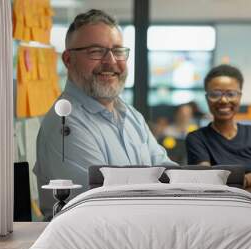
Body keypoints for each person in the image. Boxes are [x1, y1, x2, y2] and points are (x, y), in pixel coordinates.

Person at [34, 9, 176, 219]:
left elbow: (168, 172)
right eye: (95, 51)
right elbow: (98, 204)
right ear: (68, 59)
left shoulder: (131, 115)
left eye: (118, 51)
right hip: (91, 245)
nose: (110, 61)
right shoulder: (66, 123)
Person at [185, 64, 251, 196]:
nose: (223, 100)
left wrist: (229, 186)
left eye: (231, 94)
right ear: (207, 98)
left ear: (239, 97)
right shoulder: (196, 139)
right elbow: (207, 187)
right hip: (218, 212)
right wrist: (247, 179)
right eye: (215, 94)